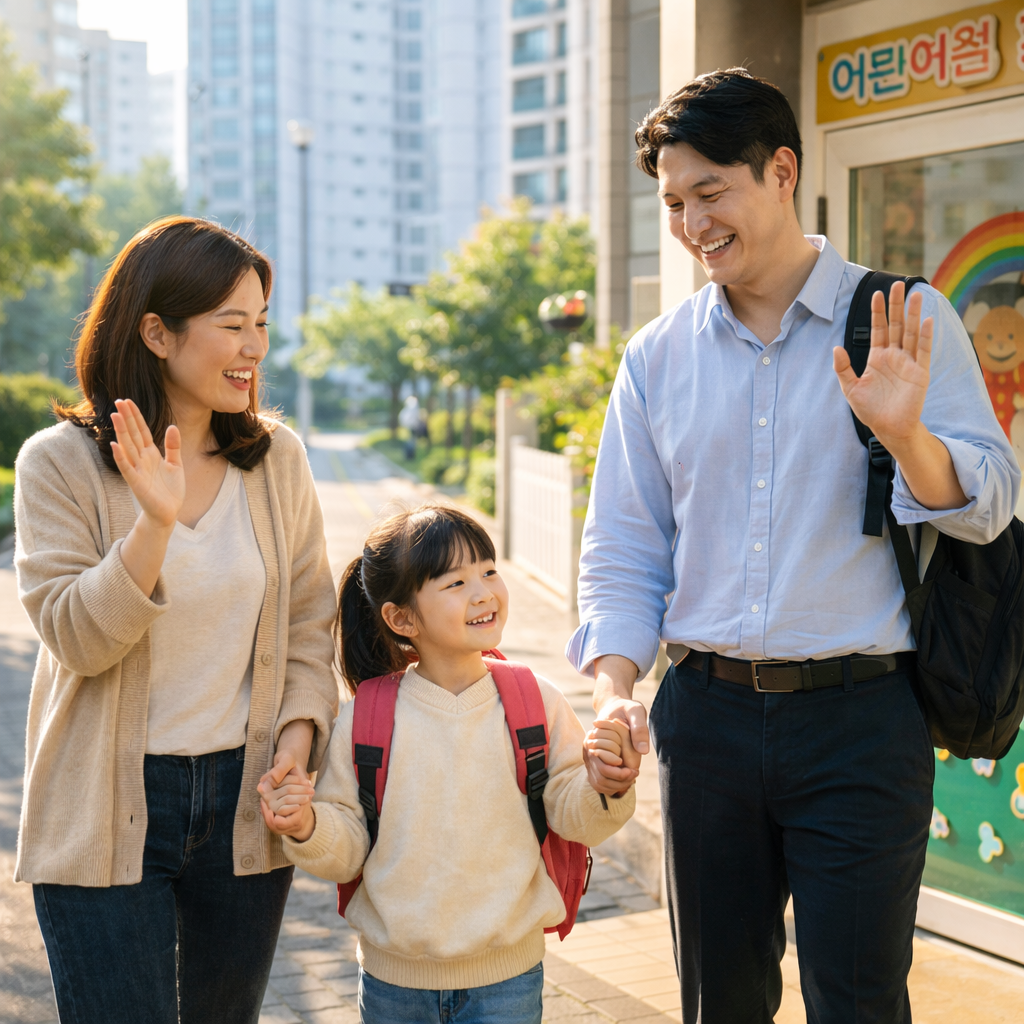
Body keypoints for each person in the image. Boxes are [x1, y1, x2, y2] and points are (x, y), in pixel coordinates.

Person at [571, 69, 1019, 1024]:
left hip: (863, 721)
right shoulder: (658, 356)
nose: (692, 224)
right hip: (706, 723)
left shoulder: (904, 319)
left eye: (710, 193)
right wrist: (614, 692)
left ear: (781, 171)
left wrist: (908, 437)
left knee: (858, 1002)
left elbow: (988, 508)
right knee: (717, 1001)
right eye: (674, 202)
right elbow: (624, 547)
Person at [13, 216, 339, 1023]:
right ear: (157, 331)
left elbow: (307, 623)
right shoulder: (57, 464)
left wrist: (297, 742)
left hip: (242, 802)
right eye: (232, 325)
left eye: (261, 322)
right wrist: (151, 526)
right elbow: (76, 640)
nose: (254, 348)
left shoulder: (276, 459)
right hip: (103, 810)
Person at [259, 503, 635, 1024]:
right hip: (394, 985)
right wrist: (305, 827)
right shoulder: (368, 715)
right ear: (402, 618)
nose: (483, 592)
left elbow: (573, 816)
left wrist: (605, 785)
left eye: (488, 570)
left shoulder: (534, 700)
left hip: (508, 980)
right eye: (455, 583)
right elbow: (347, 848)